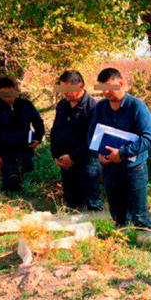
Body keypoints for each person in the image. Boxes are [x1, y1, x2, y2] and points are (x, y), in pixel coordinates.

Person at [87, 68, 151, 228]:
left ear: (122, 83)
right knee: (118, 216)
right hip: (110, 169)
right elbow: (91, 134)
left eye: (110, 87)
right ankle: (122, 240)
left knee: (140, 217)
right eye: (103, 89)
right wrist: (98, 154)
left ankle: (143, 241)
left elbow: (148, 138)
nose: (106, 92)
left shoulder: (137, 106)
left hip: (133, 170)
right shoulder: (101, 107)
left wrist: (123, 153)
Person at [50, 70, 103, 211]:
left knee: (93, 203)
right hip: (65, 162)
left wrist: (73, 157)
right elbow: (55, 131)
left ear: (80, 85)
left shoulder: (94, 108)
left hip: (87, 162)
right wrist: (55, 154)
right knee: (71, 203)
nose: (64, 92)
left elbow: (94, 139)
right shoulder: (62, 105)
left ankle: (96, 224)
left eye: (68, 89)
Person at [0, 77, 45, 192]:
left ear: (14, 90)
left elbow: (38, 122)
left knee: (30, 181)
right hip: (6, 153)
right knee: (11, 184)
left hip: (26, 150)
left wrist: (38, 138)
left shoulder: (26, 105)